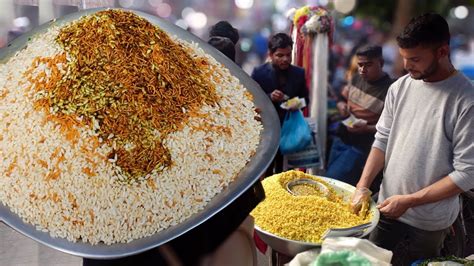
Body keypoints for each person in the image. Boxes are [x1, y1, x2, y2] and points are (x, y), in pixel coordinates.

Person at [350, 13, 474, 265]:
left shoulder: (466, 100)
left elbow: (467, 173)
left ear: (442, 51)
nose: (407, 66)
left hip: (430, 221)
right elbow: (382, 139)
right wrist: (362, 186)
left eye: (415, 59)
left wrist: (410, 201)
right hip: (385, 207)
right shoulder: (400, 88)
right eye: (404, 58)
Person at [326, 45, 393, 187]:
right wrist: (341, 105)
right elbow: (341, 97)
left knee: (334, 182)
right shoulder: (356, 78)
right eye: (360, 65)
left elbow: (391, 127)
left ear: (380, 63)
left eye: (368, 65)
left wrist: (367, 128)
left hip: (361, 146)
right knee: (330, 179)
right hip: (341, 137)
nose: (363, 70)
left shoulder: (390, 90)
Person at [251, 33, 308, 177]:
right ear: (270, 54)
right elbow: (251, 101)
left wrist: (289, 100)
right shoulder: (259, 73)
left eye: (288, 55)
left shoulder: (299, 73)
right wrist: (269, 97)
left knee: (287, 172)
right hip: (267, 130)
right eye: (280, 55)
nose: (285, 59)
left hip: (289, 131)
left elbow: (305, 100)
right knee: (266, 171)